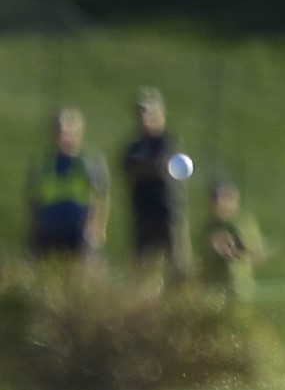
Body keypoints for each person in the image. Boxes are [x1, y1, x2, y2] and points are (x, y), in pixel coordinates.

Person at [122, 87, 191, 280]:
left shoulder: (167, 141)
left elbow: (161, 167)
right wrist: (146, 168)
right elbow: (126, 168)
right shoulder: (134, 144)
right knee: (140, 265)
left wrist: (143, 168)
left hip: (167, 212)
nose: (144, 118)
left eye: (148, 112)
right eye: (140, 113)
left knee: (177, 263)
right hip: (142, 212)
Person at [25, 107, 109, 261]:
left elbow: (99, 198)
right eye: (59, 130)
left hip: (78, 229)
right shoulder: (42, 161)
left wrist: (96, 229)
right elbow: (33, 199)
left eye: (68, 130)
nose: (63, 135)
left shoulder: (89, 161)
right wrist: (33, 229)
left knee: (82, 276)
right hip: (49, 228)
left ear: (78, 132)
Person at [200, 179, 265, 301]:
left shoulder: (240, 222)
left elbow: (257, 254)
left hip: (236, 289)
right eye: (214, 197)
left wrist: (232, 249)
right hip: (212, 292)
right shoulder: (209, 225)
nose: (218, 202)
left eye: (223, 197)